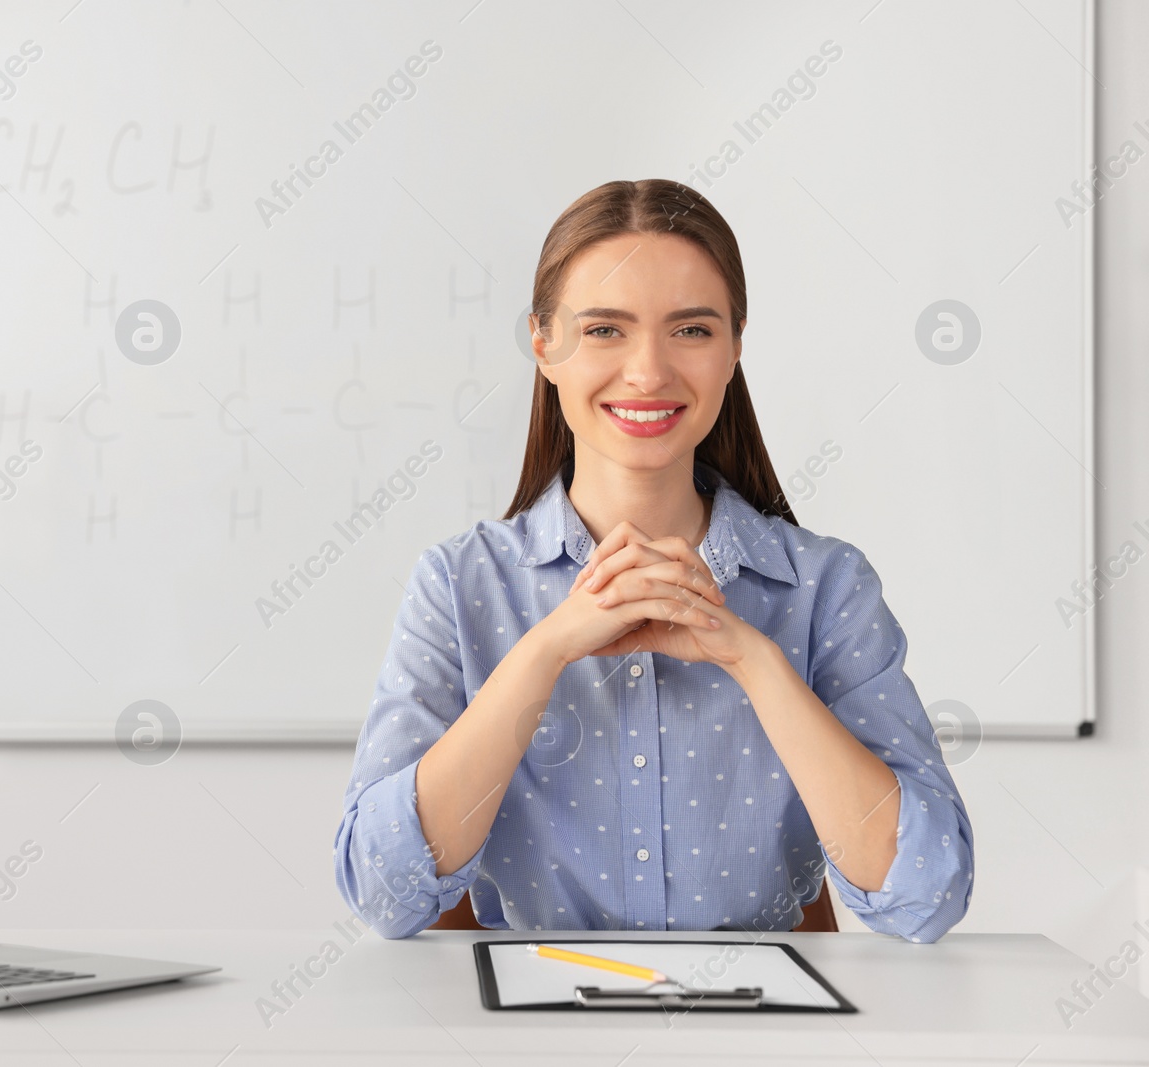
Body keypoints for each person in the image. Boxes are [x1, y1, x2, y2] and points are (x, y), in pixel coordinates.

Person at [332, 179, 973, 942]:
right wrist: (548, 647)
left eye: (692, 330)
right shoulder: (461, 585)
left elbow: (929, 896)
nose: (648, 372)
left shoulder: (825, 587)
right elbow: (381, 889)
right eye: (605, 329)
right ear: (544, 344)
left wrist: (752, 659)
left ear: (734, 347)